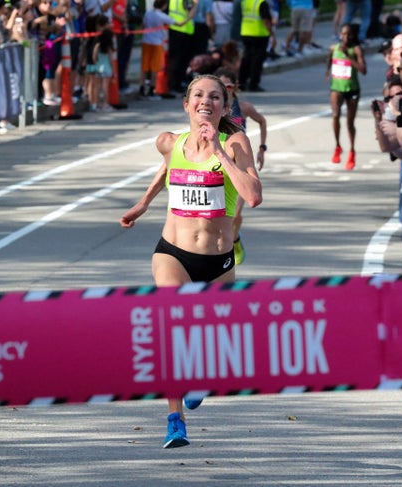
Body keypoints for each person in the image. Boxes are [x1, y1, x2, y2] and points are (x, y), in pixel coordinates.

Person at [119, 74, 262, 449]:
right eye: (198, 95)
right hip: (173, 253)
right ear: (186, 104)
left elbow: (253, 195)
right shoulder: (170, 141)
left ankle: (201, 376)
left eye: (214, 96)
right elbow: (168, 166)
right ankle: (174, 420)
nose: (205, 101)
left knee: (210, 336)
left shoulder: (235, 143)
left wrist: (218, 153)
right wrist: (143, 204)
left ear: (224, 107)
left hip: (218, 263)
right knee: (173, 328)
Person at [214, 67, 267, 264]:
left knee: (235, 215)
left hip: (240, 164)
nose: (224, 90)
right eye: (220, 86)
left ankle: (235, 240)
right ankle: (223, 248)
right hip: (219, 164)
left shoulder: (243, 107)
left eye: (227, 86)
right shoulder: (213, 108)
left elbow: (262, 121)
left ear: (235, 86)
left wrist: (262, 148)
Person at [326, 22, 366, 169]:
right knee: (335, 115)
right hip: (336, 88)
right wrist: (327, 72)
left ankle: (352, 151)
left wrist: (348, 56)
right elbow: (329, 60)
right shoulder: (333, 48)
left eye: (349, 34)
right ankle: (337, 146)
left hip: (352, 89)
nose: (345, 37)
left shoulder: (355, 49)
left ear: (353, 36)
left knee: (350, 123)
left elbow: (363, 70)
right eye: (343, 34)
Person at [138, 0, 196, 99]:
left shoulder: (148, 13)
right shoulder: (163, 16)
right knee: (155, 67)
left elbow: (143, 25)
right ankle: (151, 90)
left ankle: (142, 89)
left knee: (144, 67)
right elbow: (179, 24)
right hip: (157, 43)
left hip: (146, 42)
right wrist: (189, 17)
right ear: (164, 5)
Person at [237, 0, 272, 92]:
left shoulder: (245, 2)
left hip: (246, 32)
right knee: (257, 60)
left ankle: (241, 83)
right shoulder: (261, 3)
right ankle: (253, 84)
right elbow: (266, 20)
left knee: (246, 58)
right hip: (259, 34)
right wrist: (271, 34)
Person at [87, 13, 114, 111]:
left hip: (97, 65)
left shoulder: (96, 40)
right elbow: (111, 56)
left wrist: (95, 61)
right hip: (106, 66)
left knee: (96, 86)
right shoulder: (107, 43)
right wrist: (113, 69)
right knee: (105, 86)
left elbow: (94, 52)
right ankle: (105, 104)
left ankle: (95, 104)